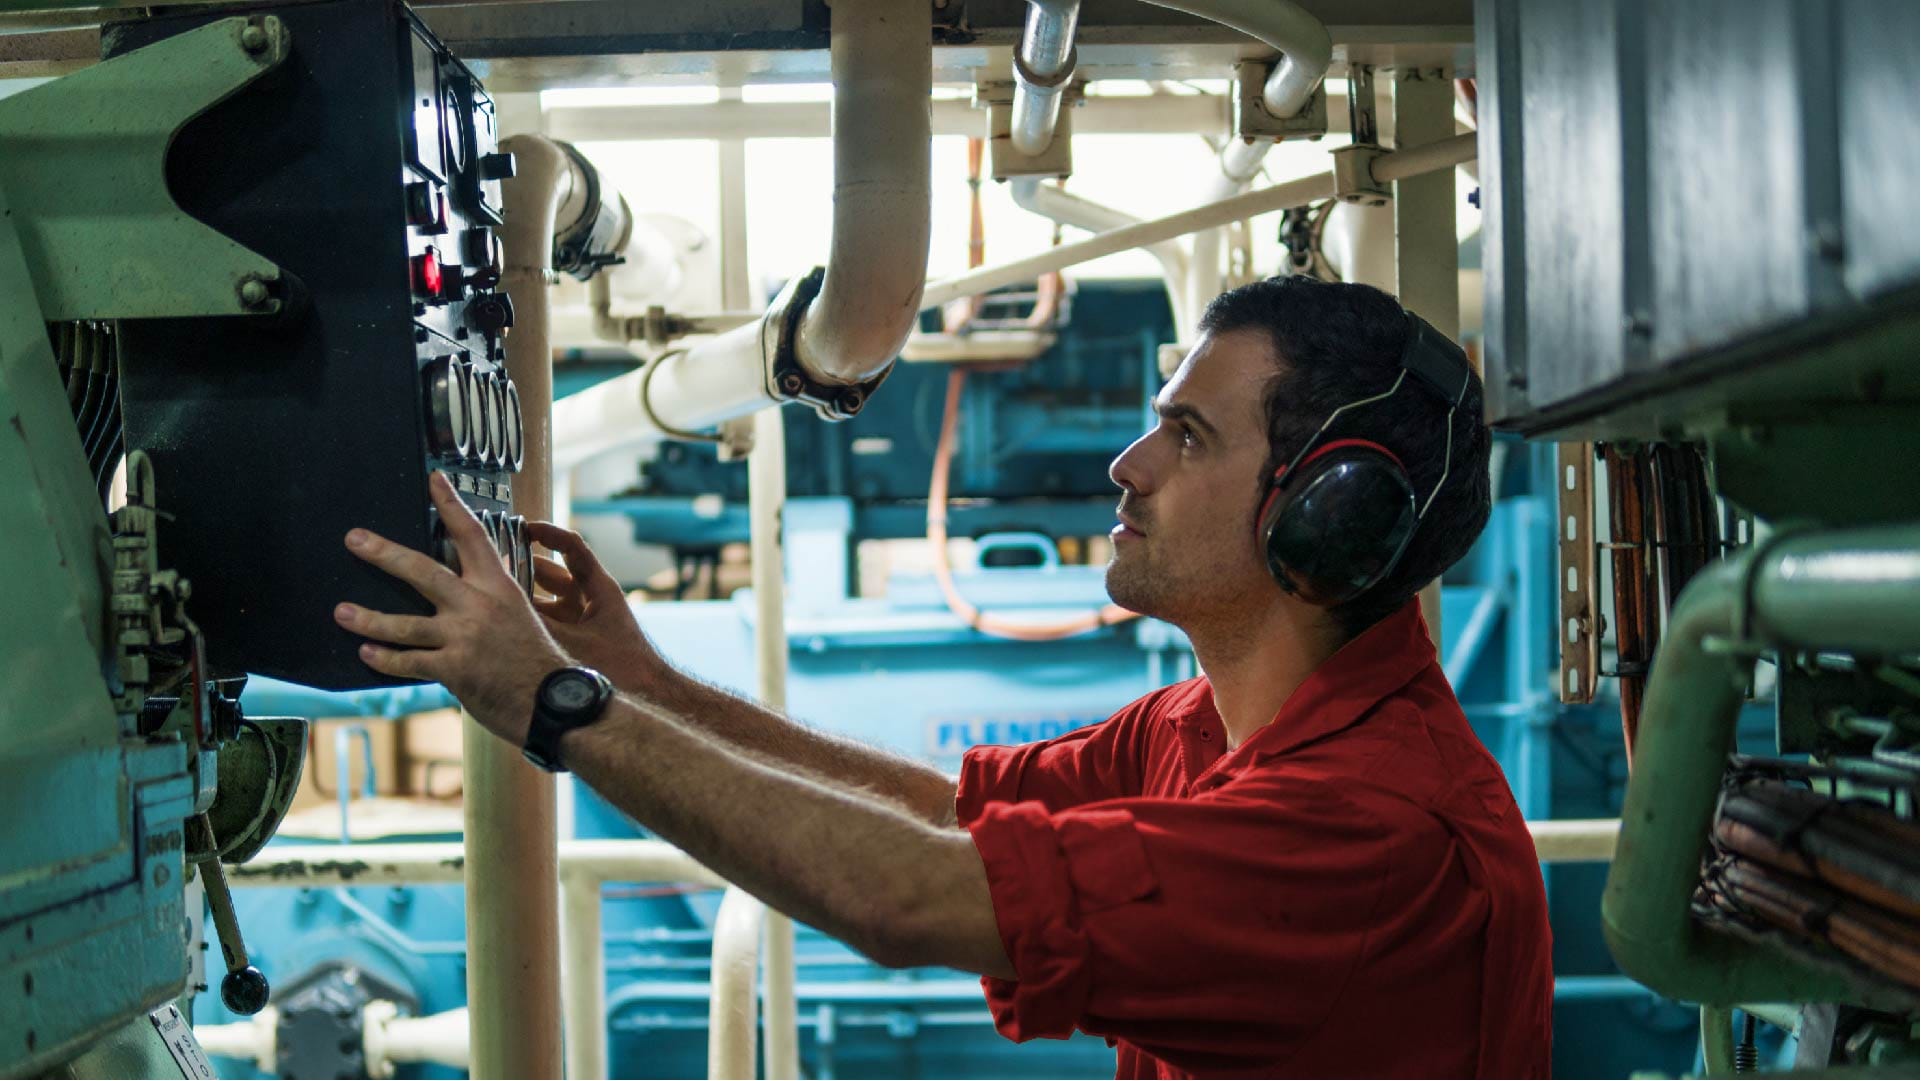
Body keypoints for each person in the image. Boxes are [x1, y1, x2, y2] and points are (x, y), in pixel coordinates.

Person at [334, 276, 1552, 1078]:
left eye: (1187, 438)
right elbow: (948, 817)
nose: (1127, 466)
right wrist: (639, 677)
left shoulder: (1370, 834)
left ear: (1330, 515)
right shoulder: (1209, 729)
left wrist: (556, 707)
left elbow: (908, 896)